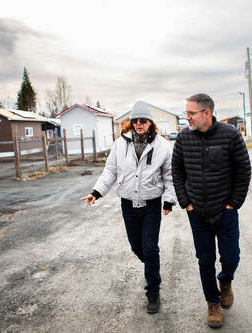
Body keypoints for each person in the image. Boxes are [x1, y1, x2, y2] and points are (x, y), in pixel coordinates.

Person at [81, 101, 176, 314]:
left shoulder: (162, 146)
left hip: (151, 203)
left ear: (151, 122)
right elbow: (110, 171)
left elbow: (169, 176)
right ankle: (152, 267)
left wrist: (169, 200)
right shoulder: (120, 144)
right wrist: (96, 192)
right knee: (137, 247)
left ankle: (153, 292)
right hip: (128, 204)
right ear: (131, 122)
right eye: (135, 120)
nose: (139, 123)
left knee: (150, 248)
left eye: (143, 120)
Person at [171, 93, 251, 328]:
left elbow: (243, 171)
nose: (187, 118)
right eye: (186, 113)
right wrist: (186, 203)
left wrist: (233, 203)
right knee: (205, 259)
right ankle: (212, 303)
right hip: (197, 212)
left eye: (191, 113)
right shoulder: (184, 138)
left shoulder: (231, 135)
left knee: (230, 257)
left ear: (207, 113)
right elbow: (177, 171)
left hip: (225, 211)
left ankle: (225, 281)